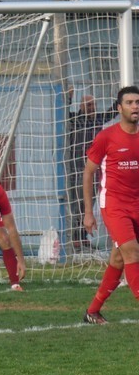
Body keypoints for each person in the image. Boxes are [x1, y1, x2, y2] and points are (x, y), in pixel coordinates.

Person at [82, 85, 139, 324]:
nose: (135, 106)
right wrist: (88, 212)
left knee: (118, 259)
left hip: (137, 204)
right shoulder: (106, 136)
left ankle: (92, 311)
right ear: (119, 108)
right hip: (114, 205)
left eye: (137, 102)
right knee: (132, 251)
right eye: (129, 103)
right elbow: (88, 173)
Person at [67, 91, 116, 250]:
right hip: (77, 169)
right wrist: (68, 98)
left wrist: (122, 93)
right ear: (81, 106)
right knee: (77, 204)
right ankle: (75, 237)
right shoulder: (75, 119)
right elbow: (63, 112)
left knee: (89, 203)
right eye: (88, 105)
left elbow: (112, 112)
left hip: (94, 169)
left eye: (93, 104)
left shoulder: (98, 119)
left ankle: (82, 236)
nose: (92, 107)